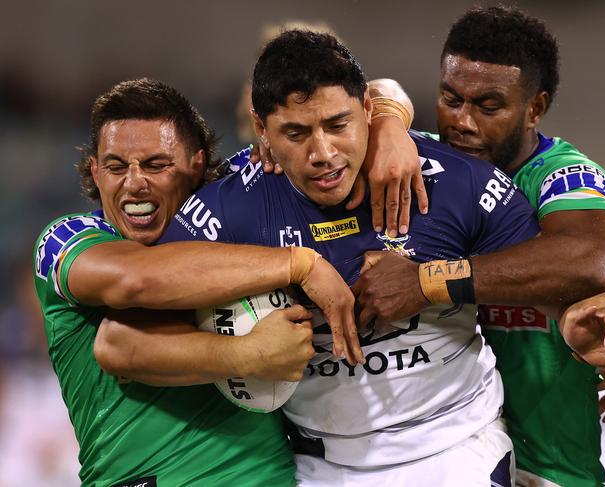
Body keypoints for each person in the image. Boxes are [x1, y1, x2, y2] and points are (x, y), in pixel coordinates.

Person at [153, 28, 544, 485]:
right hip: (320, 466)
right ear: (262, 130)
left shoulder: (453, 178)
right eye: (295, 133)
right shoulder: (231, 203)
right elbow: (148, 296)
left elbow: (547, 271)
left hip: (456, 447)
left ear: (368, 111)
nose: (323, 153)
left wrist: (430, 281)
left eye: (338, 125)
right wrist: (241, 351)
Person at [353, 6, 605, 486]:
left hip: (548, 467)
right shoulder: (415, 160)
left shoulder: (561, 175)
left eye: (489, 107)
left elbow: (591, 258)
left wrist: (428, 282)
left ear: (535, 108)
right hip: (437, 459)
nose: (463, 122)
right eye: (451, 99)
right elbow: (372, 94)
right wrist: (386, 121)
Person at [33, 78, 370, 486]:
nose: (135, 182)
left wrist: (390, 123)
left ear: (197, 163)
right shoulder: (69, 240)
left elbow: (371, 96)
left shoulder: (231, 216)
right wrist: (297, 270)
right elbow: (136, 281)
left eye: (156, 165)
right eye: (116, 166)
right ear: (95, 171)